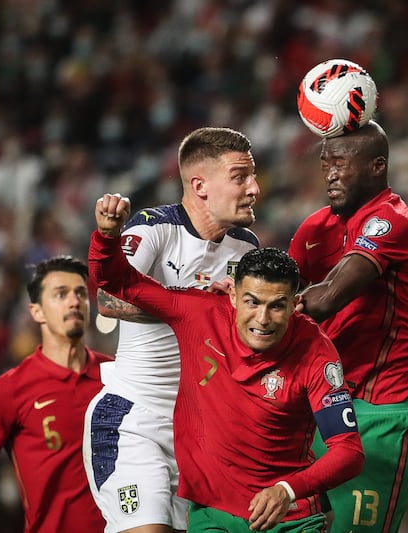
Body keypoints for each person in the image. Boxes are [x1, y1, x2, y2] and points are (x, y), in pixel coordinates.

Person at [89, 192, 365, 533]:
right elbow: (118, 282)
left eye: (277, 305)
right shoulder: (200, 313)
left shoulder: (316, 353)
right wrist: (107, 236)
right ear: (232, 295)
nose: (262, 319)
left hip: (286, 517)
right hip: (213, 516)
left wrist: (288, 489)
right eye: (251, 302)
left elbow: (349, 451)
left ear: (295, 304)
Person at [83, 127, 260, 533]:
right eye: (240, 177)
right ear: (200, 185)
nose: (254, 188)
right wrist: (197, 301)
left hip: (200, 433)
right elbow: (109, 299)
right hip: (134, 419)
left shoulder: (246, 247)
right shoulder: (153, 228)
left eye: (253, 175)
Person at [287, 120, 408, 532]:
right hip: (324, 404)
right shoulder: (315, 227)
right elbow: (274, 283)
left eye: (341, 163)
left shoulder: (394, 222)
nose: (330, 173)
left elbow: (327, 296)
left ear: (376, 166)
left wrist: (263, 309)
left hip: (385, 412)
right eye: (325, 164)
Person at [0, 256, 111, 532]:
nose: (75, 301)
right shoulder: (8, 391)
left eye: (80, 293)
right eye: (60, 294)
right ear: (37, 312)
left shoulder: (118, 376)